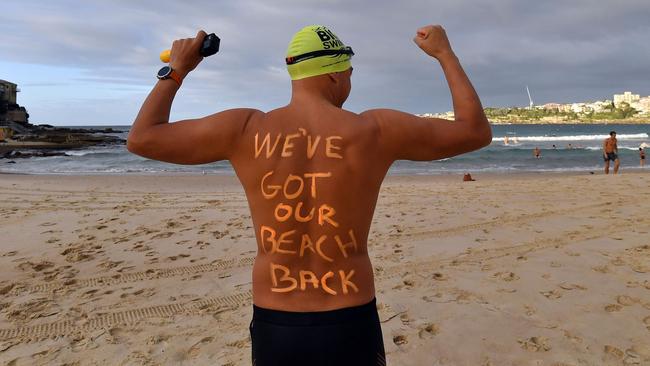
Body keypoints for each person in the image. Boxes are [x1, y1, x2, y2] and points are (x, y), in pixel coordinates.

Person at [127, 24, 492, 365]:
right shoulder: (376, 130)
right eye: (350, 72)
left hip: (276, 323)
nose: (350, 80)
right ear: (335, 72)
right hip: (351, 317)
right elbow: (474, 131)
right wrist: (445, 54)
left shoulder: (244, 129)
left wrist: (177, 69)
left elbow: (142, 138)